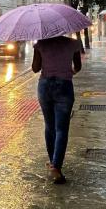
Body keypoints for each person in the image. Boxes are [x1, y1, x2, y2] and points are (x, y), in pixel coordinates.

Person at [32, 35, 82, 184]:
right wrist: (68, 73)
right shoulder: (74, 44)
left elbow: (35, 68)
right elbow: (78, 66)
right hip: (64, 86)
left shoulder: (41, 44)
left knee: (49, 126)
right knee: (61, 129)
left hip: (45, 86)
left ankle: (53, 162)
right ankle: (56, 166)